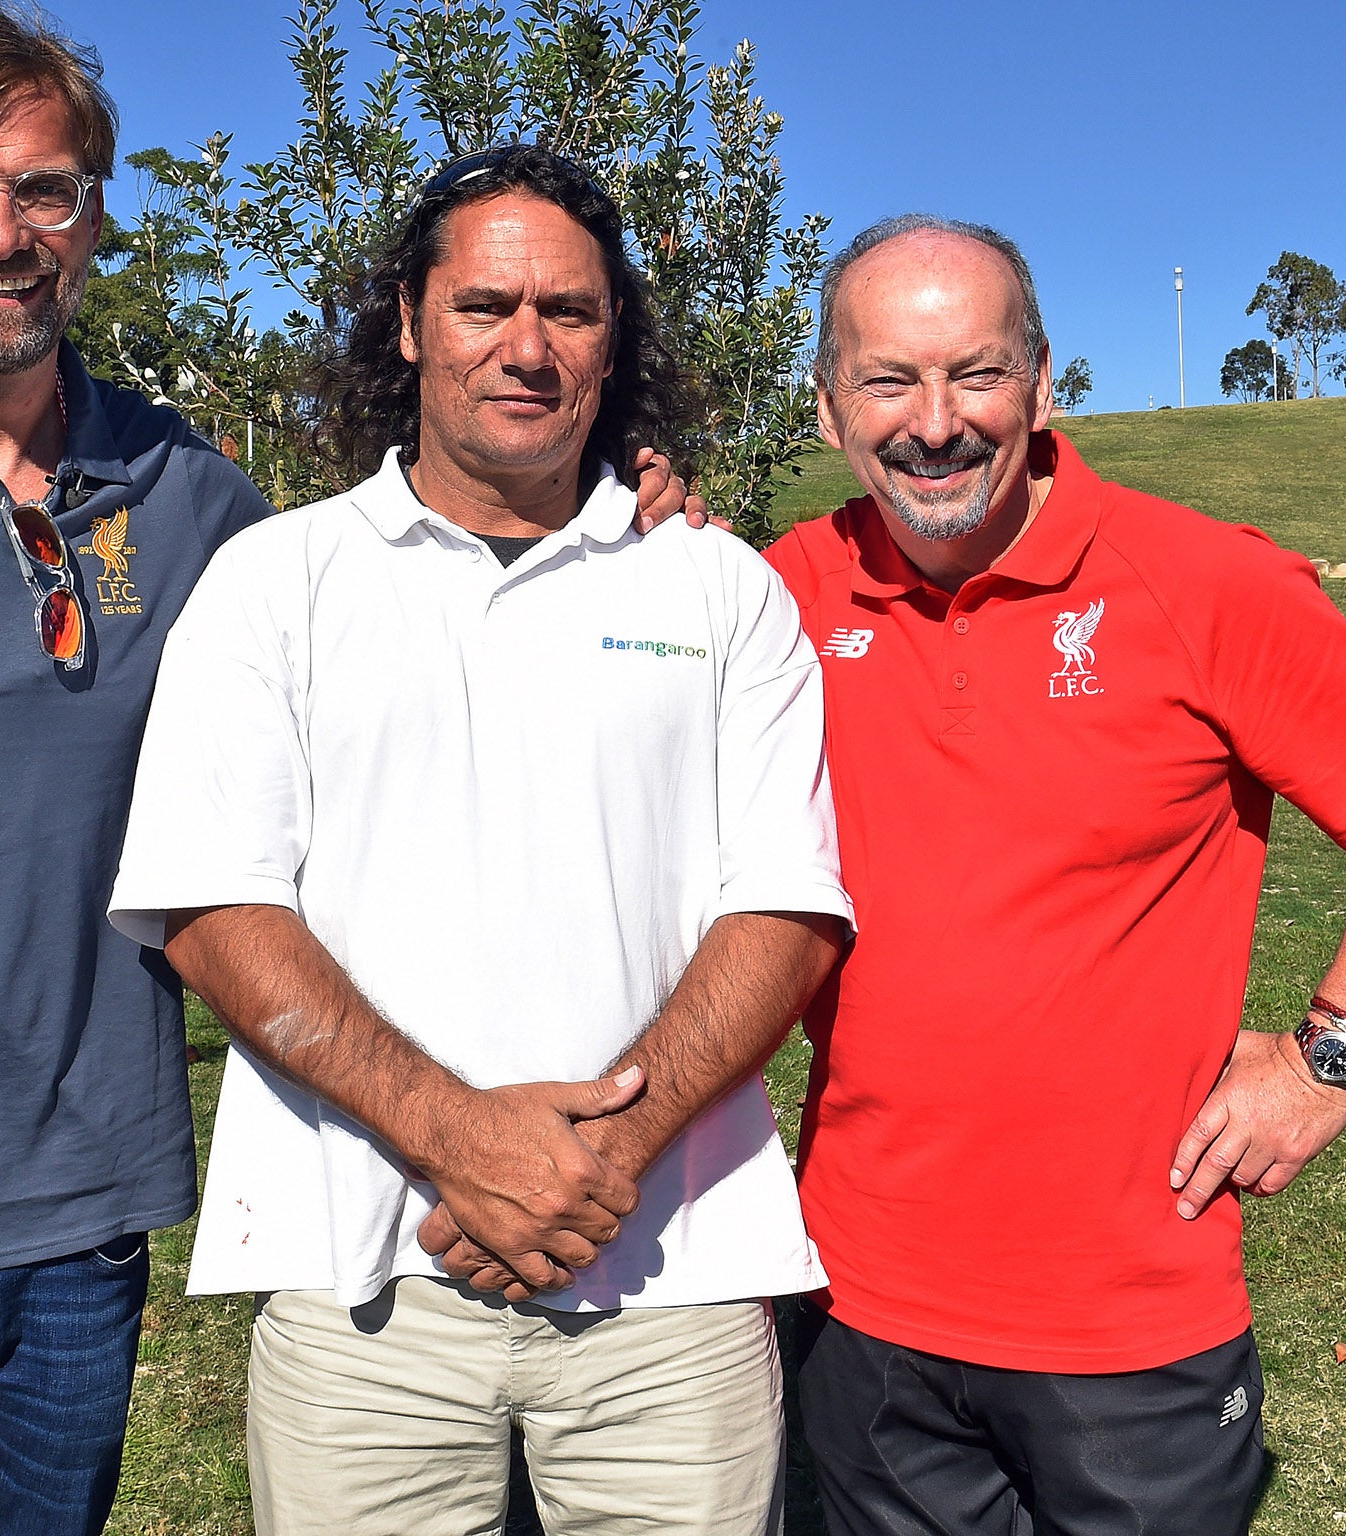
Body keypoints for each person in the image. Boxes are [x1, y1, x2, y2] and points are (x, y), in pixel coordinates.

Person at [0, 11, 693, 1533]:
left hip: (70, 1249)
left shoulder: (197, 501)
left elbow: (406, 589)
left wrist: (614, 513)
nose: (2, 234)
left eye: (48, 191)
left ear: (96, 213)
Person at [106, 143, 852, 1536]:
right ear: (407, 318)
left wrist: (600, 1166)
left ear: (613, 335)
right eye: (484, 306)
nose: (527, 346)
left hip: (670, 1287)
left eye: (567, 311)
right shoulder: (280, 582)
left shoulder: (720, 588)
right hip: (361, 1295)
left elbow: (788, 913)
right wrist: (461, 1141)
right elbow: (214, 910)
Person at [766, 213, 1346, 1536]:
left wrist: (1333, 1055)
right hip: (859, 1302)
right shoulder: (778, 598)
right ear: (826, 408)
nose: (935, 422)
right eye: (888, 379)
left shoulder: (1201, 582)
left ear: (1044, 388)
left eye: (976, 373)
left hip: (1132, 1323)